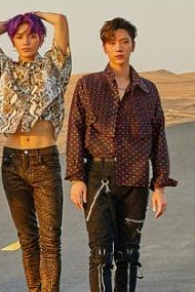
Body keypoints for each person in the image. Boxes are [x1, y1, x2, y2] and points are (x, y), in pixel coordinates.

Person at [65, 17, 177, 292]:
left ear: (133, 46)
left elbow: (158, 139)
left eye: (124, 42)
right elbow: (75, 131)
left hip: (135, 180)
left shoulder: (148, 91)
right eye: (112, 42)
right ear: (104, 47)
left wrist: (159, 186)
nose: (119, 47)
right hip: (97, 177)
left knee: (128, 253)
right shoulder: (88, 85)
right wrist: (77, 178)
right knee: (100, 251)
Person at [0, 12, 71, 292]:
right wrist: (14, 21)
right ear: (12, 41)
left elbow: (61, 21)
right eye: (19, 37)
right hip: (13, 163)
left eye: (32, 35)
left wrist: (35, 15)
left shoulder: (53, 66)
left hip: (45, 160)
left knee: (50, 239)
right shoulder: (3, 69)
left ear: (41, 38)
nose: (26, 41)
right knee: (27, 239)